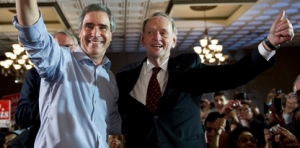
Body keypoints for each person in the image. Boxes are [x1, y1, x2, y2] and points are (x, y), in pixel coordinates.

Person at [116, 10, 294, 148]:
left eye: (163, 32)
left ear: (174, 40)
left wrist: (269, 44)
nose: (157, 37)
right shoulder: (125, 78)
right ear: (142, 40)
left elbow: (233, 75)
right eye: (151, 32)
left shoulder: (187, 68)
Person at [13, 0, 121, 147]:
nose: (95, 33)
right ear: (80, 32)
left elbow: (112, 123)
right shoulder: (60, 62)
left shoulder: (110, 80)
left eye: (102, 27)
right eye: (88, 26)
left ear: (110, 34)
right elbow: (35, 38)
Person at [14, 30, 78, 148]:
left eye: (67, 47)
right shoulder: (35, 75)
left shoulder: (84, 76)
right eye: (57, 47)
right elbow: (22, 117)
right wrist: (51, 99)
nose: (61, 52)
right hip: (43, 142)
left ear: (76, 49)